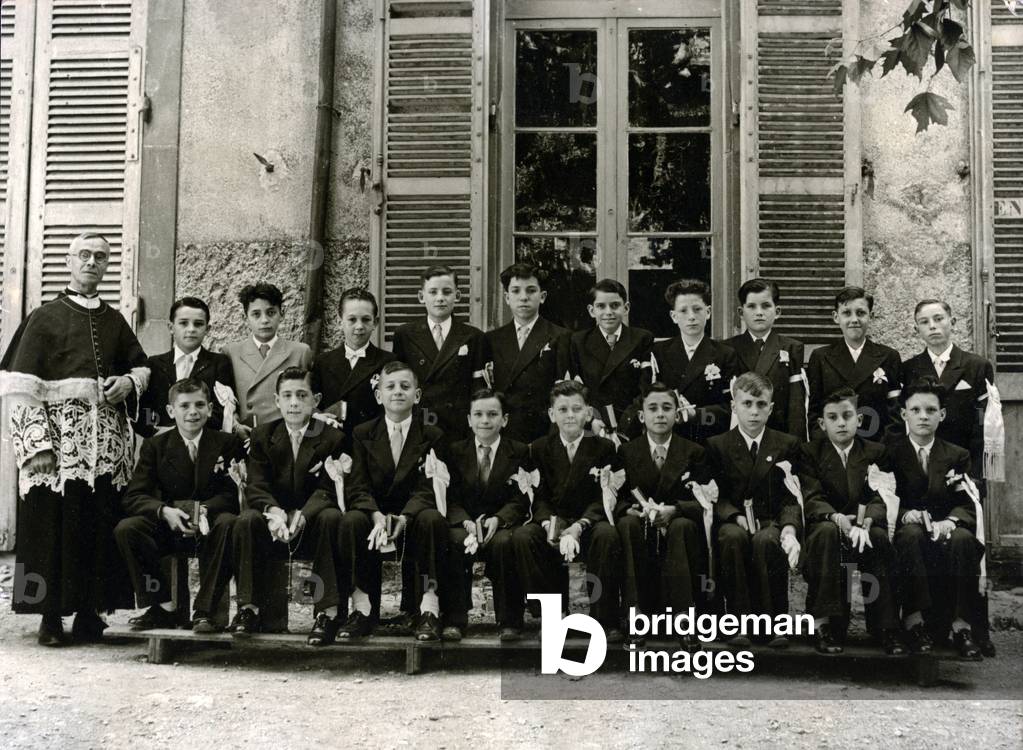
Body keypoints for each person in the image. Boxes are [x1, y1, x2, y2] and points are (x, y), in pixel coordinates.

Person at [0, 232, 149, 646]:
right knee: (50, 528)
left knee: (97, 528)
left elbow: (140, 369)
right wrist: (38, 448)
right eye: (84, 255)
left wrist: (127, 383)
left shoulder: (114, 319)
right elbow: (19, 387)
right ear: (68, 261)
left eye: (100, 257)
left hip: (105, 449)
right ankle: (48, 618)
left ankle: (90, 613)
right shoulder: (44, 317)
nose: (92, 262)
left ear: (107, 265)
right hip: (58, 447)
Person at [902, 298, 998, 657]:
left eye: (939, 318)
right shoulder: (911, 367)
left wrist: (976, 480)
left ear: (952, 321)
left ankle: (975, 629)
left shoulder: (976, 366)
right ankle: (925, 626)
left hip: (961, 469)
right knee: (919, 541)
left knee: (965, 541)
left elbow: (984, 430)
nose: (933, 326)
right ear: (917, 328)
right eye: (924, 321)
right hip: (921, 469)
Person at [228, 368, 348, 646]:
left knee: (332, 518)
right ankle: (249, 610)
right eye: (287, 396)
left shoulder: (332, 438)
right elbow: (256, 484)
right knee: (246, 520)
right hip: (275, 526)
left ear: (315, 400)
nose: (294, 402)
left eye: (301, 395)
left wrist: (304, 515)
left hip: (312, 526)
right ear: (277, 400)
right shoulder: (262, 435)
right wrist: (274, 512)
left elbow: (330, 488)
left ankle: (326, 614)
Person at [116, 379, 243, 633]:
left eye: (199, 405)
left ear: (209, 408)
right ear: (171, 411)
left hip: (210, 527)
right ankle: (164, 607)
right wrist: (164, 511)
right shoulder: (155, 446)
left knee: (230, 522)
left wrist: (206, 510)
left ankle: (204, 612)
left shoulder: (226, 443)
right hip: (170, 526)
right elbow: (135, 495)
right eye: (184, 406)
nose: (192, 412)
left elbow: (232, 494)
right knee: (127, 528)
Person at [336, 361, 449, 642]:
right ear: (378, 395)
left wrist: (405, 517)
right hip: (374, 513)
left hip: (412, 515)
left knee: (433, 519)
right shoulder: (363, 433)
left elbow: (429, 487)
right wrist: (375, 515)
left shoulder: (431, 434)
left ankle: (428, 608)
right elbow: (358, 485)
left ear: (417, 395)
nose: (398, 392)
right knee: (351, 521)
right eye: (390, 386)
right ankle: (362, 608)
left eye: (405, 386)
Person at [511, 379, 624, 640]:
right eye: (562, 409)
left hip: (589, 520)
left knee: (608, 535)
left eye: (576, 408)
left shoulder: (604, 448)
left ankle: (603, 618)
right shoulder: (538, 448)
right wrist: (550, 525)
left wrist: (579, 526)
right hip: (553, 519)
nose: (570, 415)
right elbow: (537, 496)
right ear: (552, 414)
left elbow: (604, 496)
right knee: (523, 538)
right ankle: (552, 614)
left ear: (588, 413)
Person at [706, 373, 810, 647]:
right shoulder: (718, 445)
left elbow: (792, 495)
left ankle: (774, 625)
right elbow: (714, 495)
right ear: (733, 406)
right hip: (733, 518)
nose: (754, 412)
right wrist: (734, 515)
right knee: (732, 538)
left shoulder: (786, 444)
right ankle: (738, 624)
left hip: (771, 520)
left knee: (767, 541)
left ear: (771, 408)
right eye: (747, 403)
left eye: (761, 404)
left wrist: (789, 527)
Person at [799, 387, 903, 655]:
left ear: (859, 419)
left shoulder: (875, 452)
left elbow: (883, 494)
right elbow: (810, 495)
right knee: (825, 534)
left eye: (847, 416)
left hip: (863, 526)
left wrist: (867, 520)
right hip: (829, 525)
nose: (841, 423)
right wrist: (834, 517)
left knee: (879, 538)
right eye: (833, 418)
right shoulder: (811, 453)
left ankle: (886, 626)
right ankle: (826, 624)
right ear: (822, 424)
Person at [889, 378, 984, 659]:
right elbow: (882, 496)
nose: (923, 417)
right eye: (915, 410)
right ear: (904, 414)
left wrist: (951, 522)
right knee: (911, 536)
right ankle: (915, 623)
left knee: (964, 539)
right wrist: (905, 514)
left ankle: (961, 626)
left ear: (942, 415)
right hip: (906, 530)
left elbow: (968, 502)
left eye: (931, 410)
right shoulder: (890, 453)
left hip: (944, 528)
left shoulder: (956, 455)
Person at [615, 382, 709, 650]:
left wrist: (675, 509)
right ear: (642, 416)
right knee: (626, 523)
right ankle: (635, 618)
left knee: (682, 526)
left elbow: (704, 501)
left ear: (677, 414)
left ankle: (684, 620)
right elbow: (618, 497)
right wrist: (631, 509)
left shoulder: (693, 451)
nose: (660, 415)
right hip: (641, 524)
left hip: (677, 527)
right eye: (653, 409)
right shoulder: (627, 452)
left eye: (667, 408)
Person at [441, 389, 531, 641]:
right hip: (465, 522)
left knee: (505, 544)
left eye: (492, 414)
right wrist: (464, 520)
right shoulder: (455, 451)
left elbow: (521, 497)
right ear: (469, 419)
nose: (485, 421)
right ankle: (454, 620)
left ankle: (510, 621)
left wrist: (500, 518)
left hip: (500, 524)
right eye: (478, 414)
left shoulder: (519, 451)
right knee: (455, 542)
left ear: (504, 419)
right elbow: (448, 495)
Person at [392, 265, 485, 441]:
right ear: (421, 297)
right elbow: (400, 382)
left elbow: (478, 389)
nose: (440, 298)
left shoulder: (473, 337)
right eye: (433, 292)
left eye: (447, 292)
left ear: (457, 296)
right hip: (420, 422)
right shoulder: (405, 335)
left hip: (458, 426)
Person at [480, 263, 570, 443]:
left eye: (530, 291)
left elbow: (563, 394)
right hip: (504, 432)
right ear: (506, 297)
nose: (523, 298)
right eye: (516, 291)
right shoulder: (491, 339)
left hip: (543, 433)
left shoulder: (561, 337)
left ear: (542, 296)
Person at [807, 287, 901, 442]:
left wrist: (882, 451)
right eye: (846, 313)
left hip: (875, 447)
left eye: (861, 313)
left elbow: (895, 414)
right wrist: (825, 450)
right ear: (836, 317)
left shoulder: (889, 356)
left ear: (871, 316)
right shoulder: (821, 357)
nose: (854, 319)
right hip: (833, 448)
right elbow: (815, 412)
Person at [651, 279, 737, 445]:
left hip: (709, 439)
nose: (691, 317)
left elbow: (730, 409)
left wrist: (695, 415)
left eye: (697, 309)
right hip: (670, 439)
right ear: (673, 316)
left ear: (708, 312)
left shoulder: (725, 354)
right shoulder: (659, 352)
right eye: (683, 311)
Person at [569, 278, 654, 444]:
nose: (608, 312)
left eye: (615, 305)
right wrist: (591, 420)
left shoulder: (642, 338)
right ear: (591, 310)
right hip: (594, 425)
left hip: (631, 425)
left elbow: (646, 387)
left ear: (626, 308)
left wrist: (626, 424)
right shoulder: (578, 341)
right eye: (601, 306)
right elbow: (576, 388)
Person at [222, 282, 313, 437]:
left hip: (284, 436)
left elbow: (308, 399)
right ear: (246, 318)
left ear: (281, 314)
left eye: (271, 313)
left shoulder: (299, 351)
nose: (264, 320)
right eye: (256, 314)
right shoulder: (231, 352)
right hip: (248, 436)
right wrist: (235, 426)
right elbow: (227, 403)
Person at [137, 296, 234, 437]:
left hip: (204, 444)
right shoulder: (155, 364)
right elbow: (144, 410)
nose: (191, 329)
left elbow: (222, 411)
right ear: (171, 327)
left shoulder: (218, 363)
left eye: (198, 324)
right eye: (183, 323)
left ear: (207, 329)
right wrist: (153, 430)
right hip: (162, 445)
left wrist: (181, 432)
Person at [725, 278, 807, 439]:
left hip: (778, 435)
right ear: (741, 312)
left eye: (766, 306)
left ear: (777, 312)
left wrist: (796, 445)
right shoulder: (728, 349)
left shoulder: (791, 348)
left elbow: (796, 407)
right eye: (752, 306)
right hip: (738, 435)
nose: (759, 312)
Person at [311, 288, 394, 445]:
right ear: (339, 320)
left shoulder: (387, 362)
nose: (359, 326)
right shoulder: (323, 362)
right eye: (352, 319)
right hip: (333, 444)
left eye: (366, 319)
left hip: (372, 445)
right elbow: (313, 405)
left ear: (375, 323)